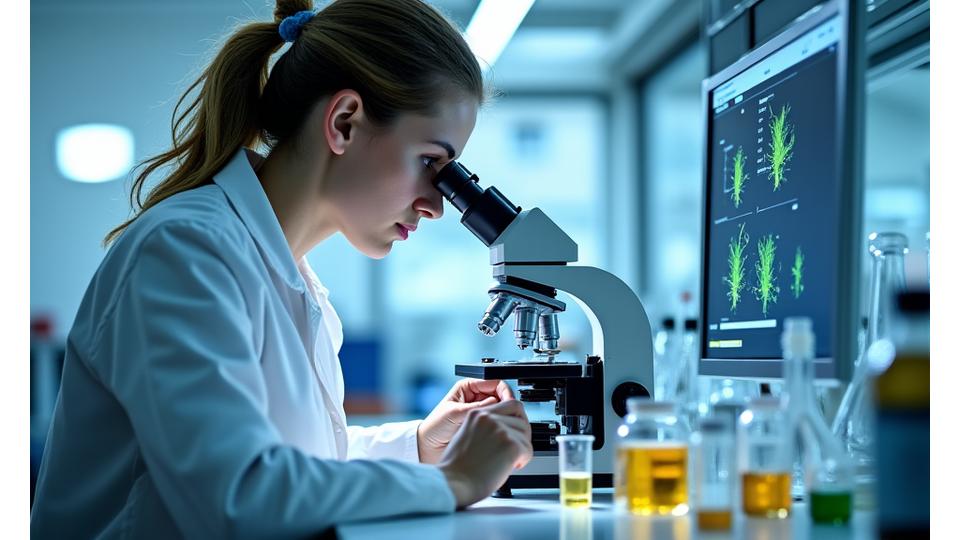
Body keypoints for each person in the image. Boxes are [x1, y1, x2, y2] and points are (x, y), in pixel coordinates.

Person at [30, 0, 534, 537]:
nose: (436, 205)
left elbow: (292, 461)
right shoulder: (185, 251)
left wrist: (420, 445)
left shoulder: (290, 280)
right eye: (430, 163)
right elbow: (240, 494)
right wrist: (454, 482)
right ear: (343, 123)